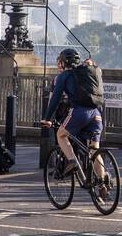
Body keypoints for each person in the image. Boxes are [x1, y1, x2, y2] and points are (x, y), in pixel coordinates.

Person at [43, 48, 105, 178]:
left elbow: (54, 99)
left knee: (61, 135)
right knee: (94, 151)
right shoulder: (88, 73)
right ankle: (102, 184)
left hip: (79, 112)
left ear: (63, 63)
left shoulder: (63, 76)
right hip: (96, 113)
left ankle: (72, 161)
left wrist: (47, 118)